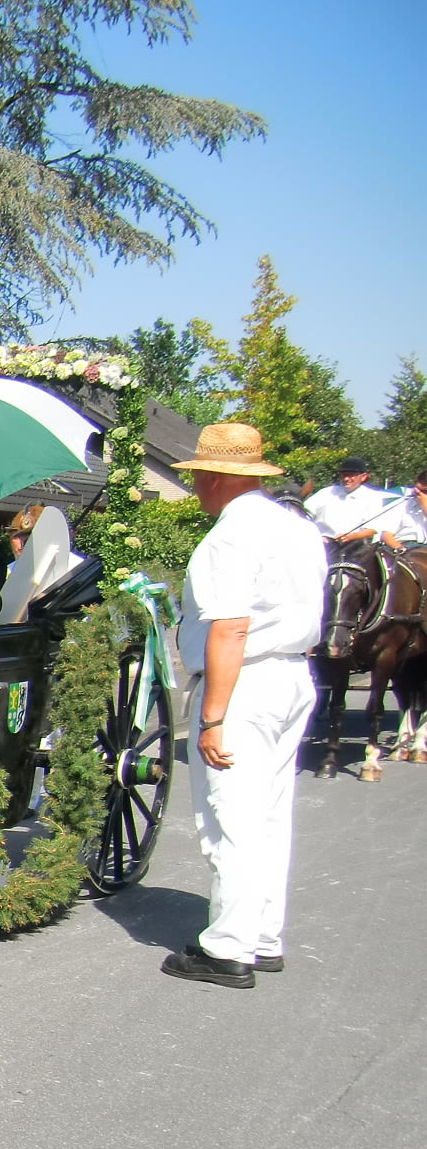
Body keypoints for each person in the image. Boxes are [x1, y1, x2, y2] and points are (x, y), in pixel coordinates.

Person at [161, 422, 328, 988]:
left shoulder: (229, 536)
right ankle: (262, 936)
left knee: (230, 816)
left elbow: (230, 628)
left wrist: (211, 717)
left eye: (197, 478)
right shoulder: (298, 527)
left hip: (245, 682)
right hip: (291, 674)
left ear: (214, 477)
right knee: (270, 815)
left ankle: (229, 947)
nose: (195, 489)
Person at [304, 454, 396, 541]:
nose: (346, 479)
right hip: (322, 542)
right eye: (344, 475)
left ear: (363, 477)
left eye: (351, 475)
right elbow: (305, 513)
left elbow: (371, 530)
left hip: (354, 545)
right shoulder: (325, 493)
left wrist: (351, 536)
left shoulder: (372, 497)